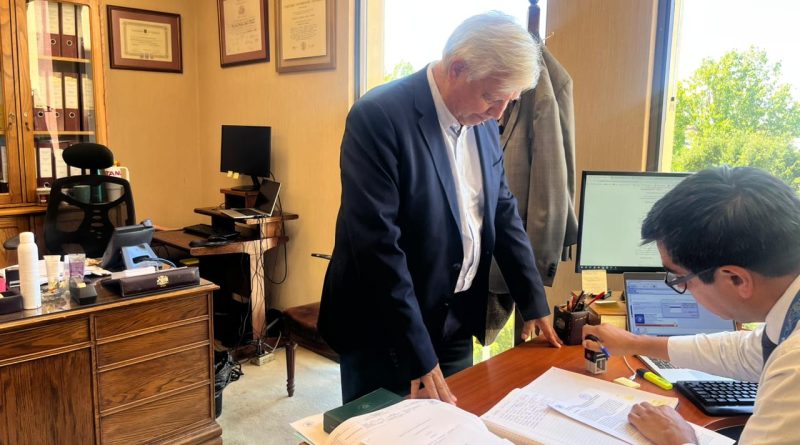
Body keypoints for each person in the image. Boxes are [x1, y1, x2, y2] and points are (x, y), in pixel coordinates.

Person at [318, 12, 561, 404]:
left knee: (453, 424)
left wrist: (533, 301)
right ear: (457, 68)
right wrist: (418, 353)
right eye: (491, 97)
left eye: (509, 101)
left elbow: (502, 211)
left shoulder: (482, 122)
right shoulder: (378, 117)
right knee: (380, 429)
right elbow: (378, 247)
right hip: (384, 327)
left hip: (453, 318)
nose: (498, 114)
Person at [583, 166, 800, 445]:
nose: (681, 288)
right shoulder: (788, 315)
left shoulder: (794, 364)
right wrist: (635, 343)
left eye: (680, 278)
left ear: (736, 278)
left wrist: (681, 440)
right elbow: (748, 351)